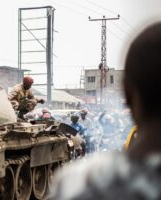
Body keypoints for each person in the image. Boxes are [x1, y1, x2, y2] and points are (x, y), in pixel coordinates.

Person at [51, 22, 161, 199]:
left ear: (126, 92)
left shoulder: (80, 183)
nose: (79, 118)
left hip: (97, 140)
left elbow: (100, 130)